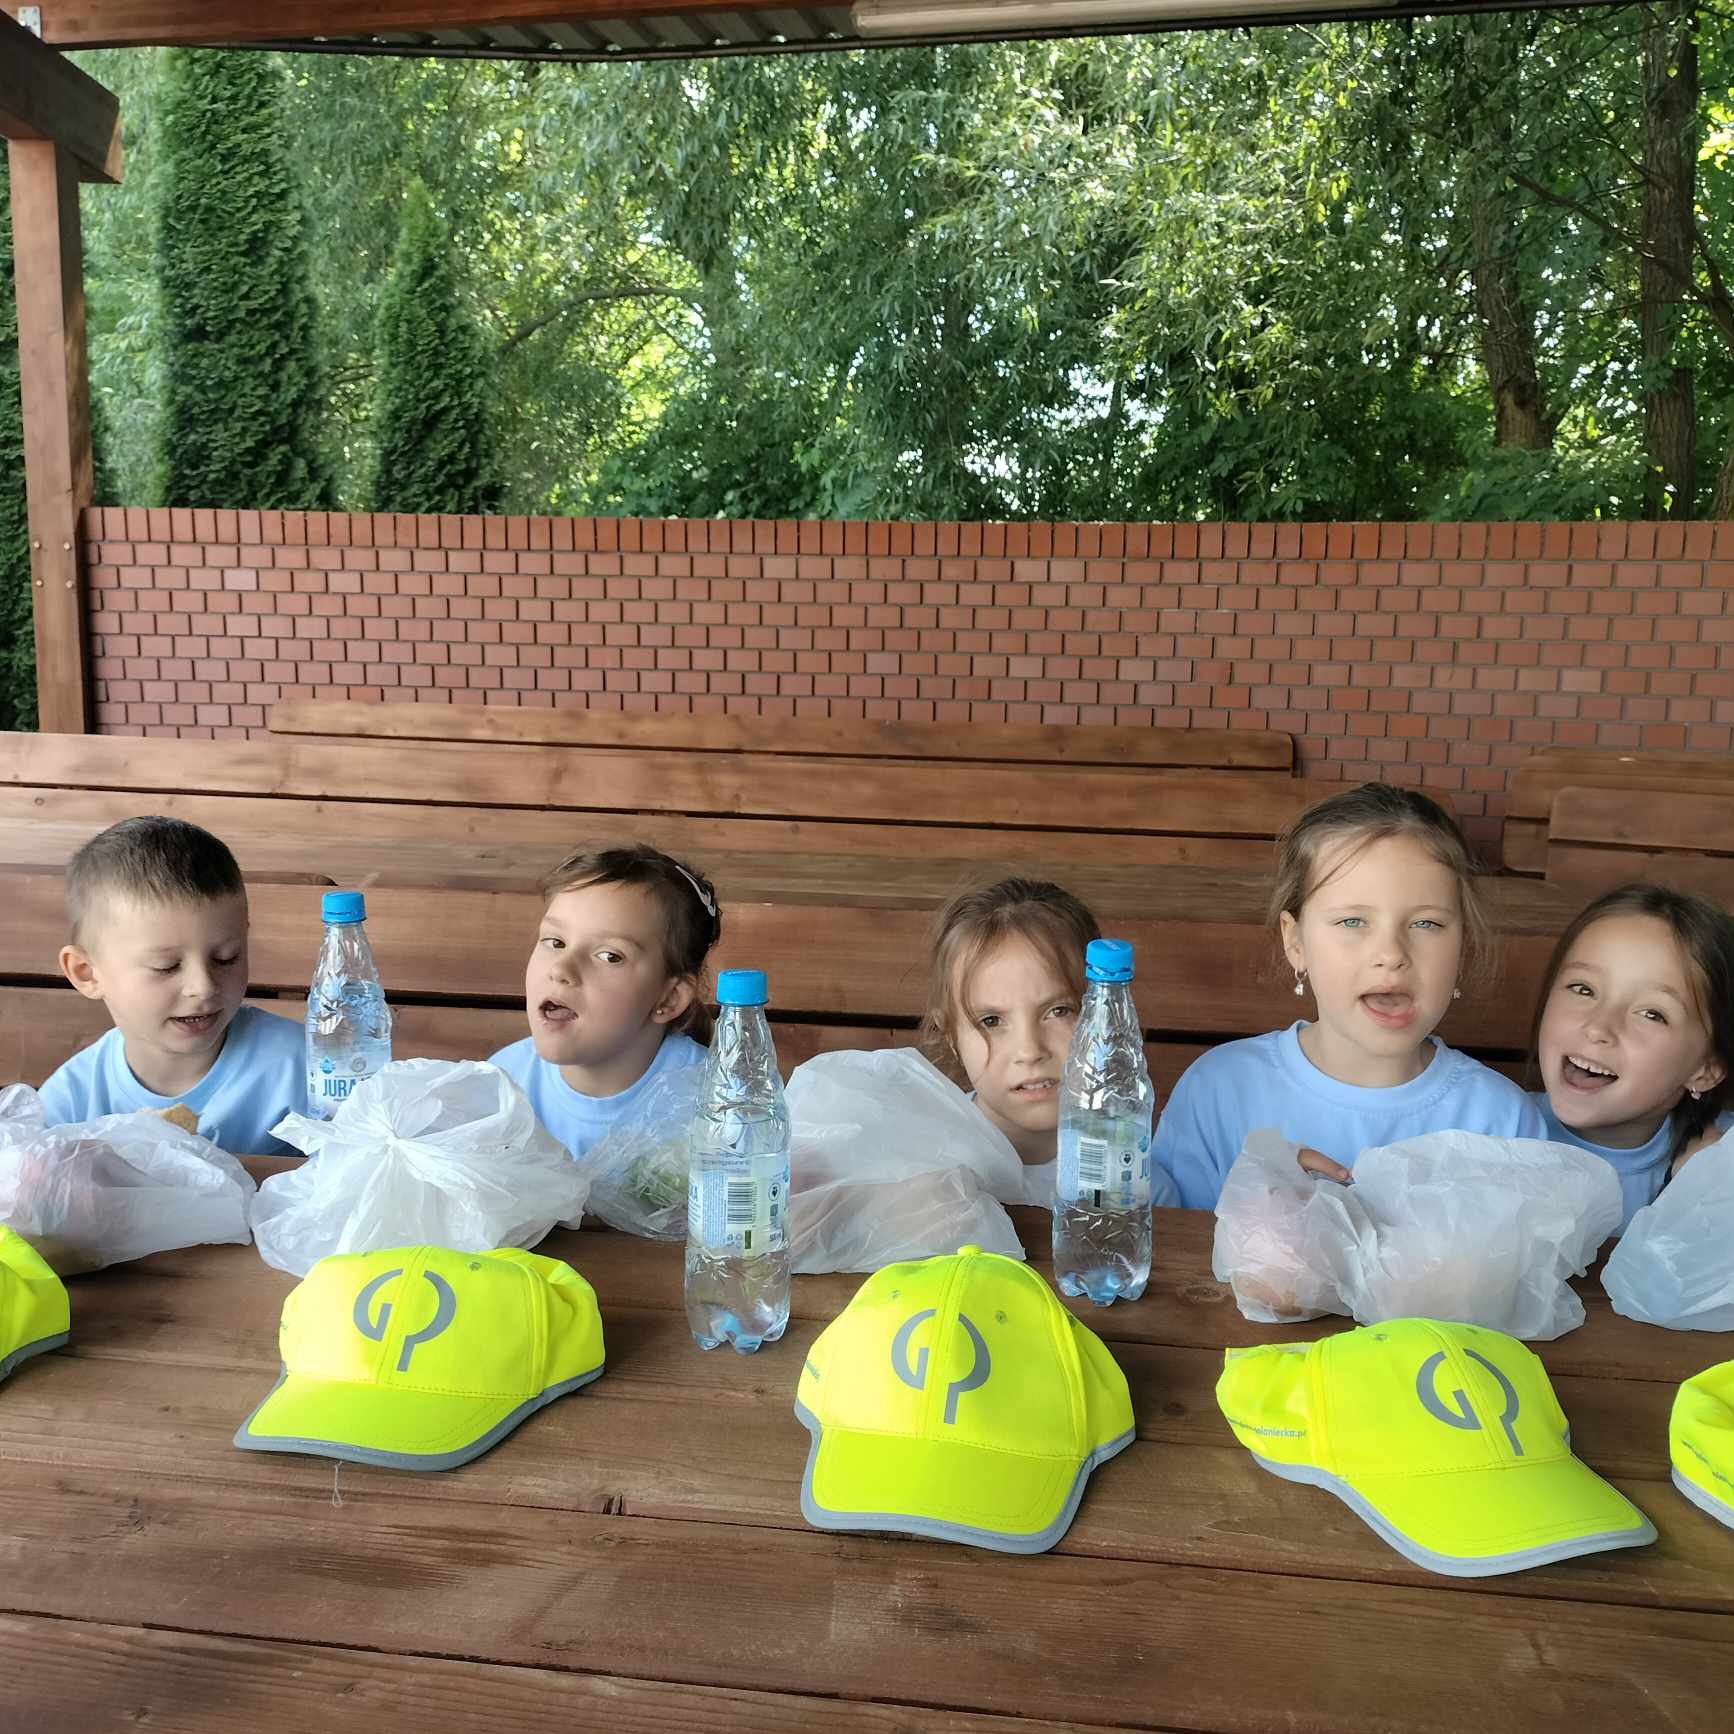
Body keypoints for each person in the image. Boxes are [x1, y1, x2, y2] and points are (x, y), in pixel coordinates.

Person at [1153, 783, 1543, 1209]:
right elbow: (1161, 1232)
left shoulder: (1502, 1122)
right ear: (1295, 941)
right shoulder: (1221, 1090)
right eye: (1353, 921)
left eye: (1427, 924)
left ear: (1461, 948)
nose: (1391, 954)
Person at [40, 816, 304, 1156]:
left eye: (226, 958)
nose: (203, 987)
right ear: (87, 973)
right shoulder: (70, 1102)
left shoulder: (305, 1069)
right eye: (166, 967)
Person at [921, 875, 1178, 1206]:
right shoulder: (923, 1164)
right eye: (991, 1021)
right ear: (951, 1035)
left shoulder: (1137, 1187)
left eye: (1058, 1011)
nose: (1030, 1051)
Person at [488, 844, 719, 1162]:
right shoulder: (503, 1083)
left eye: (610, 956)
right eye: (555, 942)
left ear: (668, 998)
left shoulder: (716, 1102)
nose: (561, 969)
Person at [1529, 882, 1734, 1228]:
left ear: (1706, 1070)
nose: (1598, 1027)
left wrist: (1709, 1198)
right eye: (1583, 989)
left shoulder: (1721, 1159)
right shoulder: (1489, 1127)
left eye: (1652, 1014)